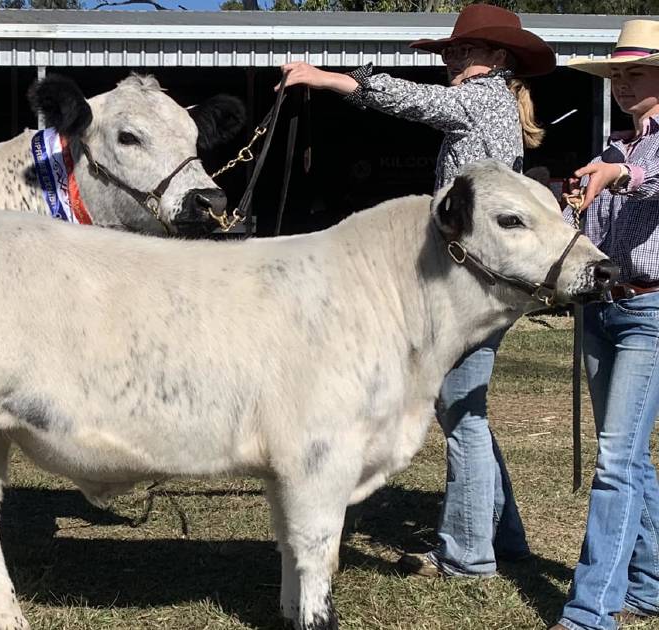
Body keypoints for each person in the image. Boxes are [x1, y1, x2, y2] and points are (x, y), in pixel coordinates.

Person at [280, 3, 555, 578]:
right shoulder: (496, 101)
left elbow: (418, 103)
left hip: (472, 286)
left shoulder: (482, 98)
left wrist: (335, 80)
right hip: (479, 282)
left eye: (465, 50)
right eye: (450, 50)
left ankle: (468, 553)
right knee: (467, 408)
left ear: (497, 59)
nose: (453, 58)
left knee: (462, 412)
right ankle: (505, 540)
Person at [554, 19, 659, 630]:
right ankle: (646, 585)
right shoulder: (614, 146)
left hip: (649, 312)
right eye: (618, 74)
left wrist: (619, 177)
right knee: (631, 459)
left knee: (616, 460)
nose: (622, 83)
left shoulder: (627, 159)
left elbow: (652, 184)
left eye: (636, 72)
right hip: (605, 307)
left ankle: (591, 612)